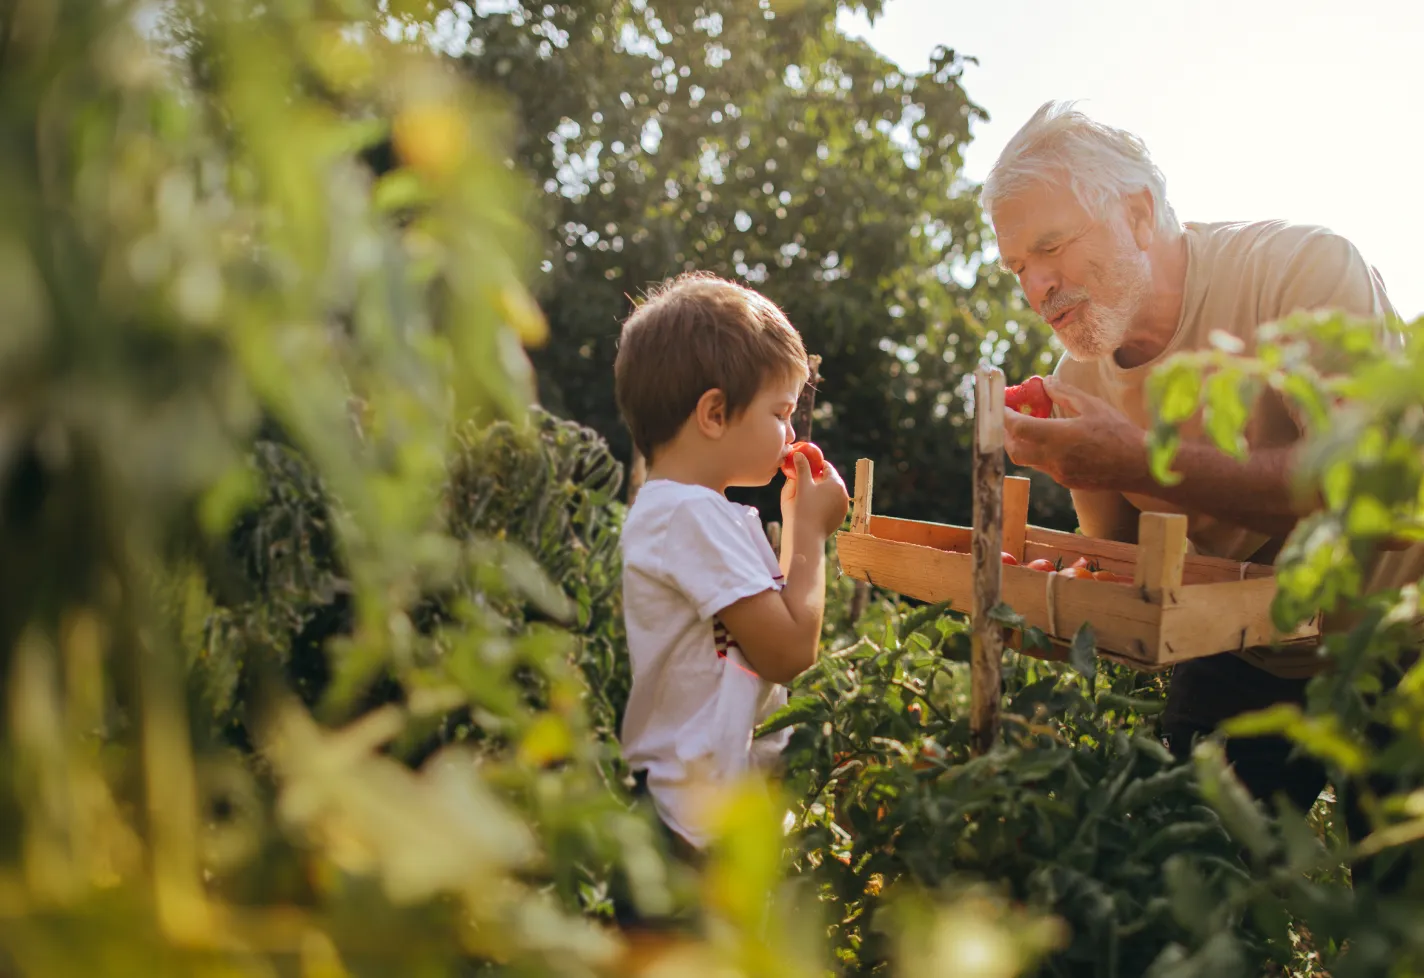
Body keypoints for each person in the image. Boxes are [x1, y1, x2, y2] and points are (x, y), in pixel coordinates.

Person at [981, 101, 1423, 886]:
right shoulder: (1081, 377)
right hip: (1243, 654)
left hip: (1400, 637)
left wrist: (1136, 459)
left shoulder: (1300, 271)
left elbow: (1377, 493)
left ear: (1140, 214)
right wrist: (1079, 471)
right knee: (1182, 891)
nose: (1036, 286)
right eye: (1017, 267)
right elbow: (1125, 567)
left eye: (1050, 247)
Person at [611, 270, 850, 865]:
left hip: (693, 815)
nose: (791, 432)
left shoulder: (694, 513)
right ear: (714, 414)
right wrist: (808, 532)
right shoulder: (688, 516)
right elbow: (790, 651)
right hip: (687, 829)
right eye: (780, 412)